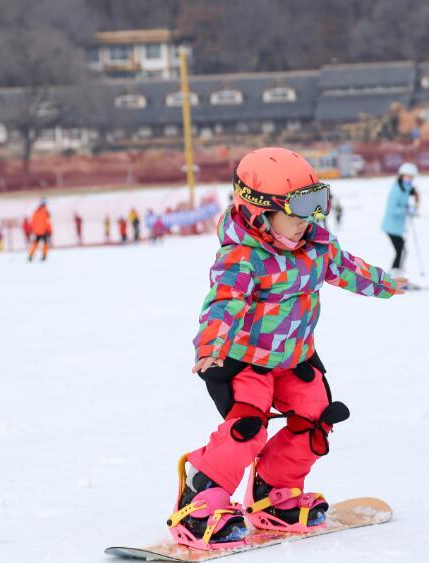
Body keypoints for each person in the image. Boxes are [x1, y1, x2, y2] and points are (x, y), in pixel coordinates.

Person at [170, 148, 406, 550]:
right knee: (248, 428)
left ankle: (273, 494)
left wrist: (384, 283)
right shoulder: (242, 258)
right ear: (258, 213)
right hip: (245, 362)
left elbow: (346, 267)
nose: (307, 223)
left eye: (314, 210)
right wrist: (210, 345)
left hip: (296, 358)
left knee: (315, 419)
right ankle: (200, 496)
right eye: (296, 214)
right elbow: (223, 302)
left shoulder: (316, 246)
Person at [381, 162, 420, 276]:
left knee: (402, 251)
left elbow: (409, 193)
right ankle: (394, 274)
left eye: (411, 177)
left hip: (397, 227)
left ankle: (397, 273)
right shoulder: (397, 190)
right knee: (401, 251)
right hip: (391, 226)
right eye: (407, 177)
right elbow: (392, 209)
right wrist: (406, 210)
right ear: (401, 176)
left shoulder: (405, 187)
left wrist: (412, 201)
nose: (409, 179)